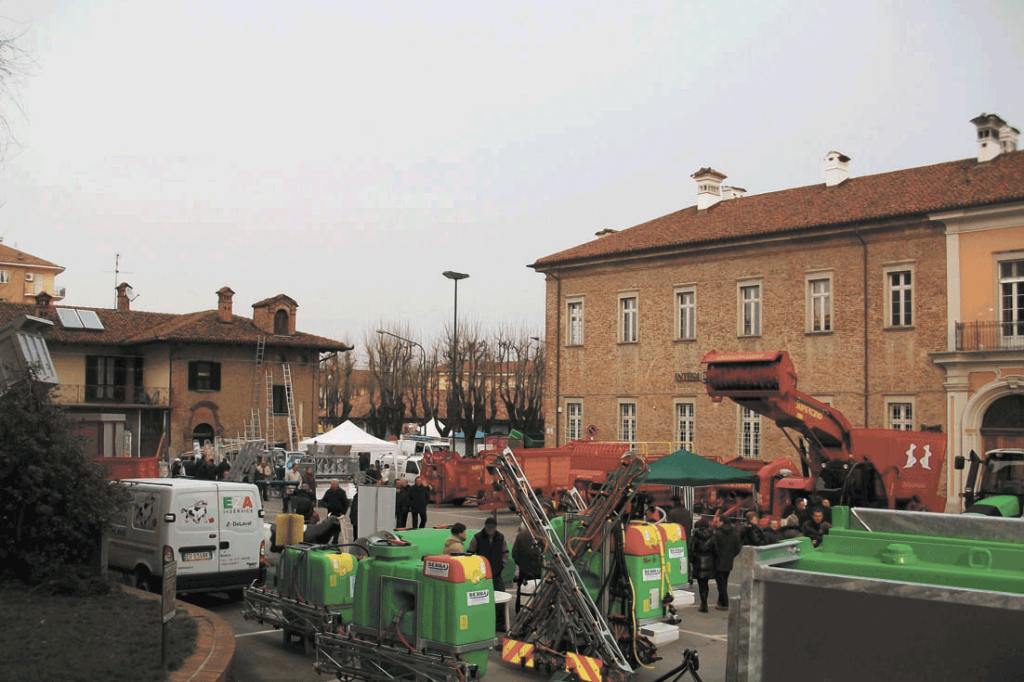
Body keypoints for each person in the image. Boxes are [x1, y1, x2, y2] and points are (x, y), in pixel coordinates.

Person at [469, 517, 510, 630]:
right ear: (485, 527)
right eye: (488, 528)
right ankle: (484, 622)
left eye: (492, 528)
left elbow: (505, 552)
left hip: (496, 573)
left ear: (496, 527)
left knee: (500, 597)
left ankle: (500, 624)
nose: (490, 530)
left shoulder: (501, 537)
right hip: (482, 574)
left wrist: (502, 566)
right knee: (482, 598)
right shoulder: (477, 538)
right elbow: (470, 553)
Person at [511, 523, 543, 613]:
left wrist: (521, 564)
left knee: (521, 593)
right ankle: (535, 613)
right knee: (537, 593)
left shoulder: (521, 536)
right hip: (538, 571)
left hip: (524, 570)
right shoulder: (542, 537)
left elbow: (515, 554)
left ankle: (520, 612)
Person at [713, 518, 742, 611]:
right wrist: (731, 555)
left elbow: (714, 547)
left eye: (718, 522)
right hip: (728, 561)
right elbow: (738, 548)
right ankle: (721, 601)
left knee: (720, 583)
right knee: (724, 581)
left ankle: (724, 602)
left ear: (722, 522)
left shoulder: (717, 534)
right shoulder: (734, 534)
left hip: (718, 560)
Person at [688, 518, 716, 613]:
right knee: (706, 584)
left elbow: (691, 549)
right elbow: (716, 549)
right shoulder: (712, 535)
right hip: (709, 560)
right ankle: (704, 603)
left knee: (701, 585)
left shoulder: (695, 536)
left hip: (698, 561)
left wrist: (692, 560)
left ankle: (704, 604)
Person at [320, 479, 350, 543]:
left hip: (338, 512)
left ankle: (335, 540)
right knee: (329, 526)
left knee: (337, 526)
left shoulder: (341, 492)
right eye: (331, 483)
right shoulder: (328, 492)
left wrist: (343, 512)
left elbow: (346, 503)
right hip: (330, 512)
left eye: (333, 484)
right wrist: (327, 505)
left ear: (337, 484)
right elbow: (323, 501)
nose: (332, 485)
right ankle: (327, 539)